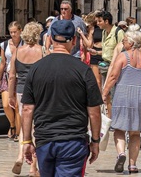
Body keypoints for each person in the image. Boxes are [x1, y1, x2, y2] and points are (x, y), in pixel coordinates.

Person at [20, 19, 103, 176]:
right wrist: (95, 141)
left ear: (50, 38)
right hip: (73, 140)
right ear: (73, 40)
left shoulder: (36, 69)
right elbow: (94, 111)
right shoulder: (84, 70)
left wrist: (26, 141)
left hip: (44, 140)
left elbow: (27, 108)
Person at [101, 28, 141, 174]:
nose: (123, 42)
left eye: (124, 40)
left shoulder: (123, 56)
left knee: (119, 129)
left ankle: (121, 154)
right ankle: (132, 165)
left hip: (123, 94)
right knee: (135, 133)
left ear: (130, 42)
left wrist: (104, 93)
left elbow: (113, 77)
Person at [9, 22, 44, 177]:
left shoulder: (17, 51)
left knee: (24, 125)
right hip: (38, 91)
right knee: (36, 127)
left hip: (21, 90)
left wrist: (10, 95)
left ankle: (19, 157)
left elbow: (11, 76)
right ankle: (33, 167)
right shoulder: (42, 51)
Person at [0, 22, 23, 141]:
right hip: (7, 76)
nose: (13, 34)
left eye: (15, 32)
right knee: (6, 104)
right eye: (11, 32)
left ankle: (18, 132)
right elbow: (3, 62)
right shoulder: (4, 44)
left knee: (18, 105)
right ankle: (12, 124)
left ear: (20, 31)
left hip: (20, 76)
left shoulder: (24, 44)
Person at [81, 13, 103, 87]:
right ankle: (99, 97)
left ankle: (105, 97)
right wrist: (82, 34)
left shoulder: (105, 28)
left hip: (104, 53)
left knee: (104, 79)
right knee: (98, 81)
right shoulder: (92, 29)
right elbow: (89, 44)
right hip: (95, 53)